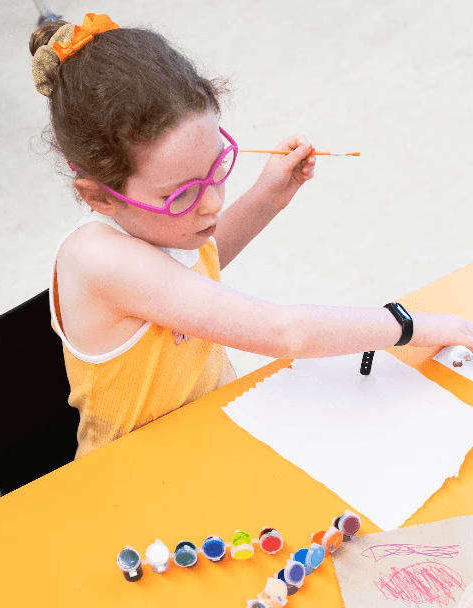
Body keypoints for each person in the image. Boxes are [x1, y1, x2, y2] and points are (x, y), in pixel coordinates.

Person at [30, 13, 473, 459]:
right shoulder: (97, 258)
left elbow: (198, 264)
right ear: (99, 197)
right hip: (129, 476)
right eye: (181, 194)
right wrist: (422, 325)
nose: (213, 203)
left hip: (213, 438)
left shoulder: (158, 226)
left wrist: (267, 198)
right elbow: (285, 333)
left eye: (217, 168)